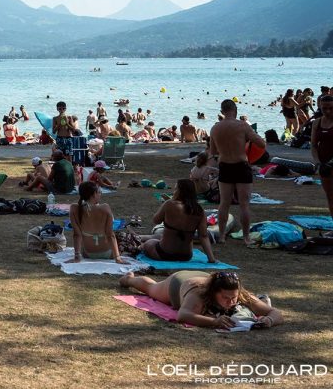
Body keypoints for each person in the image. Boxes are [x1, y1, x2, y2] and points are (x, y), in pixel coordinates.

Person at [119, 271, 282, 330]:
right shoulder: (199, 294)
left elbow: (275, 313)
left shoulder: (239, 294)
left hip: (203, 275)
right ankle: (128, 279)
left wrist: (269, 320)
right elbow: (183, 315)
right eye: (225, 298)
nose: (231, 302)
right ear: (214, 292)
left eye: (234, 298)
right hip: (179, 283)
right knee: (152, 289)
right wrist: (214, 322)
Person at [209, 99, 266, 246]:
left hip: (225, 166)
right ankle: (246, 238)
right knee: (244, 204)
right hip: (241, 165)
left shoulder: (215, 128)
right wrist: (246, 143)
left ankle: (221, 236)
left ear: (222, 112)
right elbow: (261, 144)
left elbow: (213, 151)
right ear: (235, 110)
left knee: (224, 203)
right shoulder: (243, 126)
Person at [140, 179, 216, 263]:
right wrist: (211, 258)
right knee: (160, 236)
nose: (174, 191)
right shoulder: (199, 210)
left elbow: (156, 220)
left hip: (164, 253)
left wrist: (165, 206)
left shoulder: (169, 204)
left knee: (149, 243)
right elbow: (204, 236)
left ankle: (139, 245)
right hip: (185, 256)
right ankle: (139, 236)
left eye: (176, 189)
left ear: (180, 191)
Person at [69, 181, 127, 262]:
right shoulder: (105, 208)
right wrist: (117, 257)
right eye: (99, 192)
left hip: (87, 254)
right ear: (94, 194)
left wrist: (77, 255)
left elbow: (76, 235)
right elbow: (110, 235)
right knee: (126, 238)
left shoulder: (74, 208)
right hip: (108, 253)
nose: (100, 194)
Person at [310, 93, 333, 217]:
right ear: (320, 107)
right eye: (324, 108)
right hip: (324, 165)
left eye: (331, 108)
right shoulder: (317, 123)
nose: (327, 111)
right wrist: (318, 163)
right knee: (330, 196)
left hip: (330, 163)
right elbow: (313, 145)